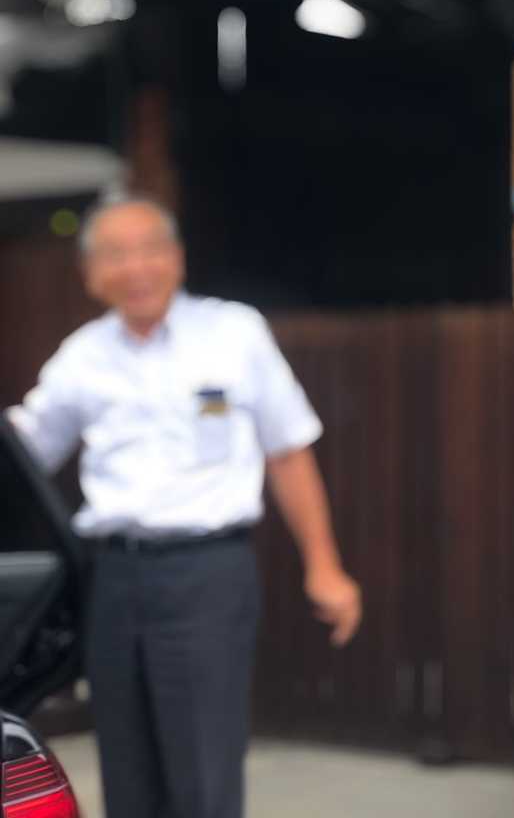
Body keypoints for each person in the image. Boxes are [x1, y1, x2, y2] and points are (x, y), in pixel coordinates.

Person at [6, 192, 362, 818]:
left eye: (150, 249)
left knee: (202, 772)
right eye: (116, 254)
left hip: (207, 575)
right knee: (126, 772)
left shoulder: (234, 333)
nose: (136, 267)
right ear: (91, 274)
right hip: (112, 579)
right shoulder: (83, 355)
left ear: (177, 257)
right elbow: (23, 450)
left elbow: (287, 451)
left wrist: (324, 565)